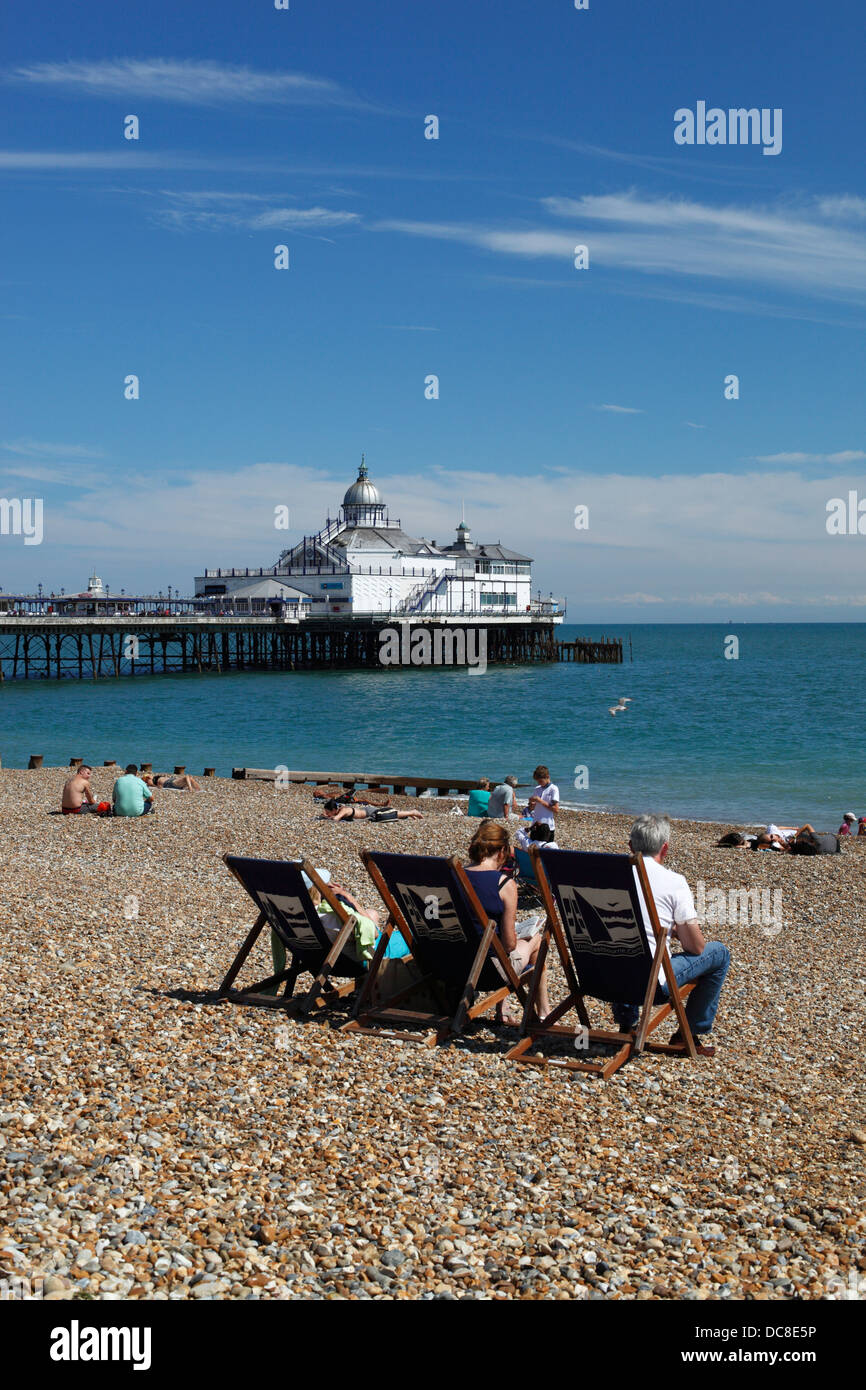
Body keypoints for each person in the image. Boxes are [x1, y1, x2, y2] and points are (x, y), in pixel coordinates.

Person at [613, 813, 730, 1056]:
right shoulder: (674, 882)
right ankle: (689, 1033)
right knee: (718, 953)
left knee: (623, 946)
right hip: (650, 985)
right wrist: (676, 932)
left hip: (603, 977)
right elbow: (695, 948)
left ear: (630, 846)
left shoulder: (605, 875)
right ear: (664, 848)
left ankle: (627, 1024)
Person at [462, 820, 550, 1021]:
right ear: (501, 851)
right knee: (536, 939)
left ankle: (505, 1007)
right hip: (488, 971)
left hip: (454, 963)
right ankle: (542, 1013)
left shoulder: (456, 876)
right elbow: (509, 945)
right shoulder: (504, 884)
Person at [322, 799, 422, 822]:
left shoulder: (344, 810)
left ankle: (412, 812)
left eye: (328, 812)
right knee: (390, 813)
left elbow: (335, 819)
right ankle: (408, 814)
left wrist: (326, 817)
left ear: (334, 810)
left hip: (371, 813)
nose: (327, 813)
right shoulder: (340, 810)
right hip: (368, 811)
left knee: (390, 814)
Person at [526, 765, 559, 832]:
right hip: (535, 824)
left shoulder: (553, 789)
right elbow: (532, 808)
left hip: (548, 826)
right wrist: (531, 803)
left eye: (540, 781)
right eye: (537, 781)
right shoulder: (537, 789)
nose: (539, 783)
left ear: (548, 777)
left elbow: (555, 809)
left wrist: (540, 800)